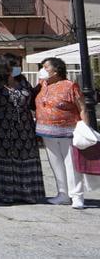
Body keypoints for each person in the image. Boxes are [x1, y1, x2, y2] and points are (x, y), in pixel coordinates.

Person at [0, 54, 44, 203]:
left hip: (24, 128)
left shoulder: (24, 82)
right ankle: (7, 193)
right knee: (5, 159)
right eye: (14, 65)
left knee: (26, 157)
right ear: (5, 67)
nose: (18, 68)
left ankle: (27, 193)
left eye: (19, 65)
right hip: (3, 127)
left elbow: (33, 101)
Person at [35, 57, 88, 209]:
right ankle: (62, 194)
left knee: (71, 164)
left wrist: (85, 128)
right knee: (55, 164)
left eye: (46, 67)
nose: (43, 70)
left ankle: (77, 196)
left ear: (56, 70)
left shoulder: (70, 86)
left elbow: (82, 108)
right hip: (46, 131)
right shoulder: (42, 84)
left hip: (68, 131)